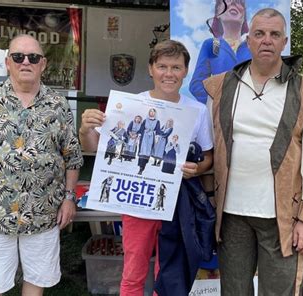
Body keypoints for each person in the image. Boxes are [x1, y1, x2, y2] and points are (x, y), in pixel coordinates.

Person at [203, 8, 303, 295]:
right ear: (249, 40)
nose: (266, 41)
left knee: (279, 292)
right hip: (231, 213)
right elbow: (209, 145)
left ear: (284, 42)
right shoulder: (221, 87)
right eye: (259, 33)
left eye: (274, 35)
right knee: (234, 291)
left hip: (282, 216)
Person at [79, 39, 213, 296]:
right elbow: (95, 145)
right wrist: (86, 128)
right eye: (162, 66)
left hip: (177, 201)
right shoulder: (129, 105)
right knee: (133, 269)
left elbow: (208, 156)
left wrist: (197, 169)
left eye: (176, 67)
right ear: (151, 69)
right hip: (137, 200)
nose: (169, 73)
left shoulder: (196, 110)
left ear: (185, 71)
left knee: (169, 271)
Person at [0, 34, 83, 296]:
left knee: (36, 282)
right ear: (7, 62)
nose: (26, 62)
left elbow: (72, 156)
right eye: (18, 57)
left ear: (43, 64)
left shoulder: (58, 104)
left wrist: (70, 197)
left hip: (44, 213)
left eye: (33, 57)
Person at [189, 0, 252, 104]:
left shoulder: (253, 45)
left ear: (244, 14)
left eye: (239, 2)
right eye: (227, 1)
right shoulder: (214, 44)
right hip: (220, 116)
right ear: (217, 13)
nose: (233, 3)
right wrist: (218, 104)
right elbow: (197, 85)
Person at [137, 108, 161, 175]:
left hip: (151, 137)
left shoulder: (157, 121)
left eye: (153, 112)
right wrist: (139, 135)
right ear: (149, 113)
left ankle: (143, 167)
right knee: (142, 151)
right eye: (150, 111)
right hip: (144, 137)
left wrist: (156, 138)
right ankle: (140, 167)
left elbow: (158, 130)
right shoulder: (145, 120)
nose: (152, 113)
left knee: (147, 152)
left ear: (155, 113)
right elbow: (142, 128)